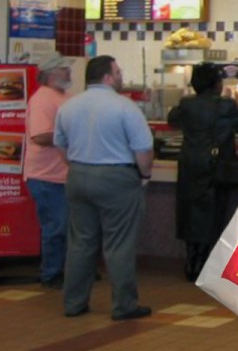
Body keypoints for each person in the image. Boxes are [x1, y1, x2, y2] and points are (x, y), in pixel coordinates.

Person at [54, 55, 154, 320]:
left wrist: (76, 165)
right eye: (118, 72)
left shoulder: (69, 106)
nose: (121, 76)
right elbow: (144, 150)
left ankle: (74, 303)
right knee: (119, 244)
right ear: (108, 77)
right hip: (117, 179)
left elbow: (59, 144)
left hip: (77, 176)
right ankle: (124, 305)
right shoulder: (125, 107)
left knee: (80, 243)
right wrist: (144, 175)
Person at [167, 63, 238, 281]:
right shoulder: (225, 106)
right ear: (217, 84)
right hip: (216, 167)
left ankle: (192, 261)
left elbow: (172, 120)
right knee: (213, 216)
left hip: (189, 166)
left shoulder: (186, 105)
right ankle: (204, 265)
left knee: (190, 215)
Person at [24, 51, 73, 289]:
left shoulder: (65, 97)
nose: (69, 72)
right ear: (51, 74)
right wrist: (72, 135)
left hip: (62, 175)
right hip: (46, 176)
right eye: (65, 69)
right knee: (56, 227)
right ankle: (51, 274)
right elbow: (40, 135)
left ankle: (64, 270)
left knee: (63, 226)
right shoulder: (43, 99)